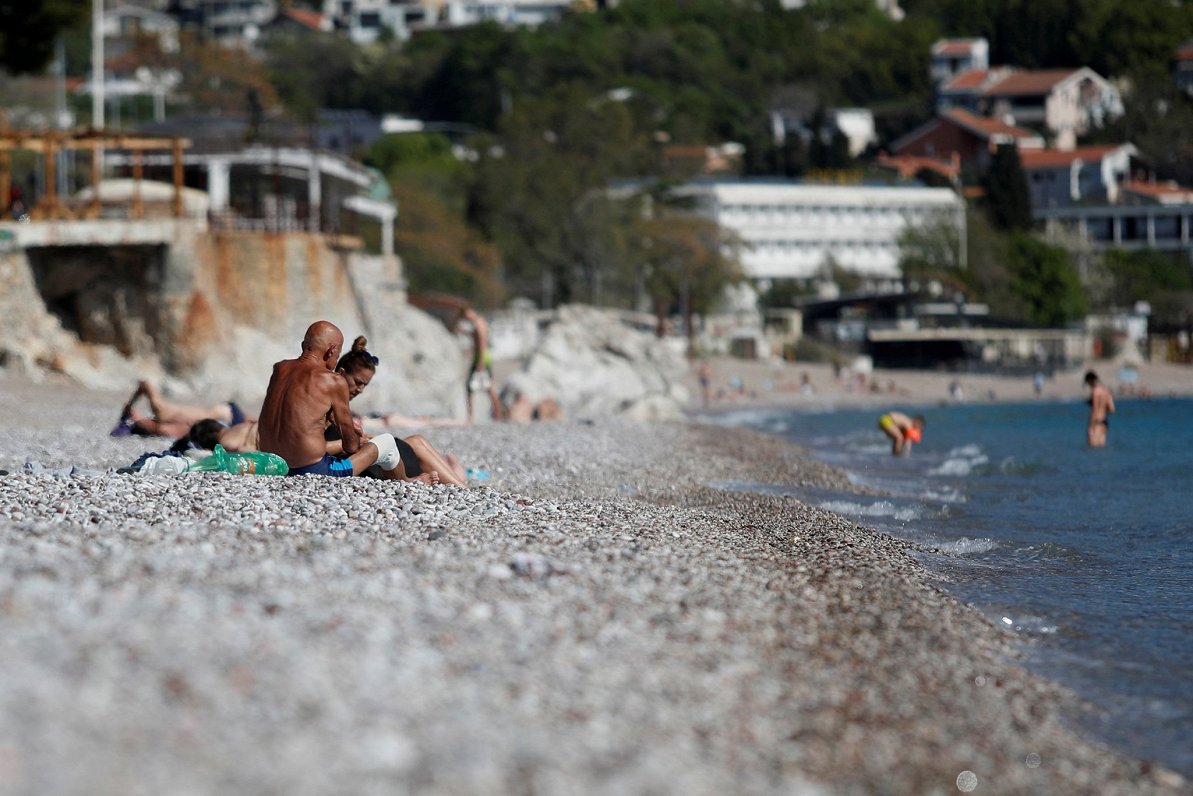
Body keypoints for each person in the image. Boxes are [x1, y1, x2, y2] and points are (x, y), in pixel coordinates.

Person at [257, 321, 403, 479]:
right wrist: (354, 436)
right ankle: (407, 481)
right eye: (338, 355)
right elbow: (351, 446)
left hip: (270, 465)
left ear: (303, 345)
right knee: (387, 442)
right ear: (332, 351)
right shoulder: (333, 380)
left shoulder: (279, 369)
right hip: (311, 469)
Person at [110, 379, 253, 439]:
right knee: (257, 427)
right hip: (226, 417)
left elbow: (144, 383)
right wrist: (130, 407)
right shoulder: (163, 423)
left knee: (257, 427)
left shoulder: (161, 412)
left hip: (225, 417)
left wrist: (130, 405)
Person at [1084, 370, 1115, 448]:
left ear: (1090, 381)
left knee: (1092, 450)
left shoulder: (1095, 391)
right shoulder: (1107, 391)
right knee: (1101, 451)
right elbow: (1112, 409)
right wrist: (1103, 410)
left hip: (1095, 423)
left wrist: (1092, 425)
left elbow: (1095, 409)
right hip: (1104, 423)